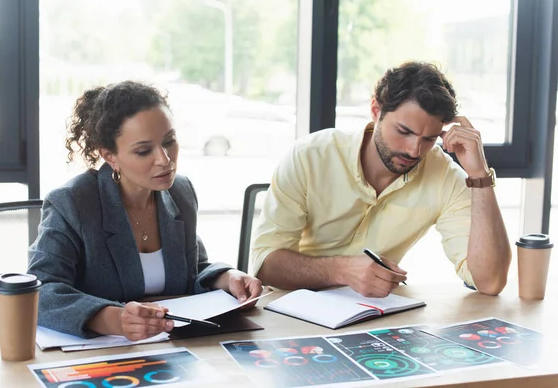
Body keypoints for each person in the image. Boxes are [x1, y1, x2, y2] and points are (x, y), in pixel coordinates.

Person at [251, 61, 511, 298]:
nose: (414, 150)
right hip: (293, 314)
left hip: (374, 315)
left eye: (429, 139)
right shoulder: (310, 156)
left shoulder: (443, 175)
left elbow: (489, 282)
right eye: (404, 131)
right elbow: (265, 265)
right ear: (376, 110)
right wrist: (342, 270)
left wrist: (480, 176)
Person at [28, 81, 263, 340]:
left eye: (169, 141)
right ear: (110, 156)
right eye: (143, 151)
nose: (165, 159)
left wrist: (227, 278)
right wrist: (113, 319)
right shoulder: (72, 202)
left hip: (171, 346)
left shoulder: (180, 192)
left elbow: (193, 268)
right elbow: (40, 291)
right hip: (105, 354)